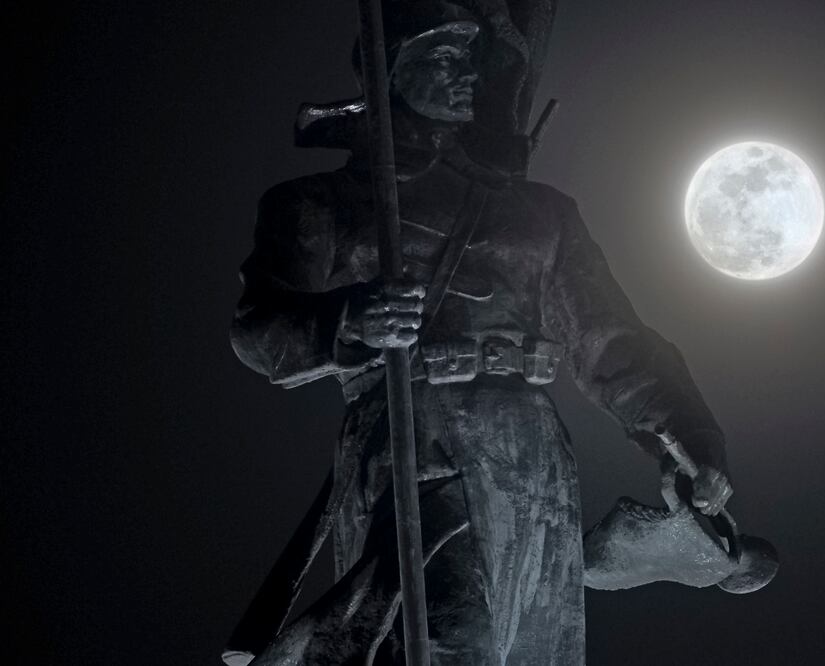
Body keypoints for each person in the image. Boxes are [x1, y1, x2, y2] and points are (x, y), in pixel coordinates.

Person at [229, 3, 730, 664]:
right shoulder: (318, 206)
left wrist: (685, 434)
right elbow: (259, 334)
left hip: (531, 461)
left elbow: (610, 342)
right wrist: (350, 319)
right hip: (413, 442)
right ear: (388, 70)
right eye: (440, 58)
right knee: (442, 644)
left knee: (532, 651)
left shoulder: (541, 216)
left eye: (468, 59)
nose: (464, 74)